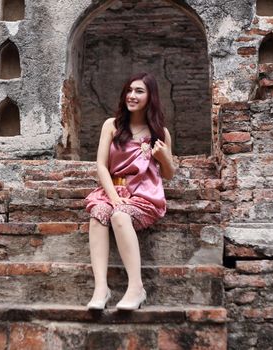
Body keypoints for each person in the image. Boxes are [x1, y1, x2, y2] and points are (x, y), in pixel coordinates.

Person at [84, 72, 176, 310]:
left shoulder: (160, 132)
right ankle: (101, 289)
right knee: (98, 215)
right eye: (129, 90)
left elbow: (168, 174)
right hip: (112, 191)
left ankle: (136, 288)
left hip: (143, 196)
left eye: (139, 91)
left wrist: (164, 157)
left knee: (119, 215)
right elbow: (101, 166)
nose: (132, 96)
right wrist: (114, 198)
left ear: (150, 97)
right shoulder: (111, 125)